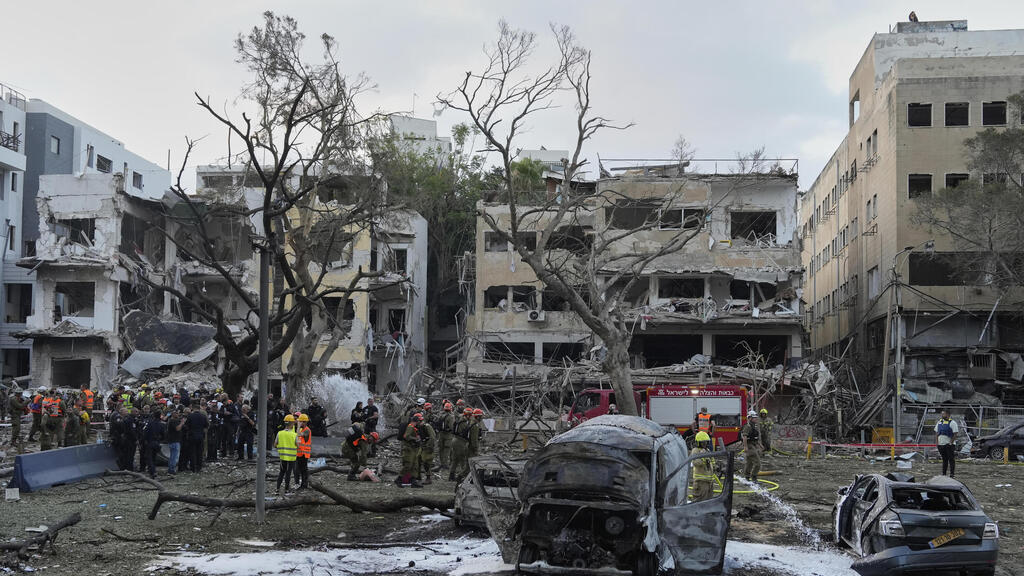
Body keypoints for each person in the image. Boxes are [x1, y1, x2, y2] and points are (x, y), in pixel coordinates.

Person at [397, 413, 424, 488]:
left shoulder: (413, 427)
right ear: (416, 421)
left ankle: (413, 481)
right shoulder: (410, 427)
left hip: (413, 449)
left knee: (415, 465)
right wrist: (415, 439)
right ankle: (399, 479)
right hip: (408, 449)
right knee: (408, 465)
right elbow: (406, 436)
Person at [275, 414, 298, 494]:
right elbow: (298, 445)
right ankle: (286, 489)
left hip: (282, 457)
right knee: (288, 473)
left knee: (281, 472)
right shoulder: (294, 435)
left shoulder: (279, 433)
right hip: (291, 458)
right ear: (292, 423)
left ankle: (277, 489)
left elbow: (275, 444)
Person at [449, 408, 474, 482]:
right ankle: (463, 476)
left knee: (455, 460)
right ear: (468, 415)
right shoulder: (464, 422)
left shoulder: (459, 419)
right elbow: (466, 432)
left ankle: (451, 475)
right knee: (462, 459)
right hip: (460, 441)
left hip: (455, 440)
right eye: (470, 415)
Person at [691, 431, 716, 502]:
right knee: (699, 501)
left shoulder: (707, 450)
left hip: (709, 481)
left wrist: (715, 466)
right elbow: (696, 463)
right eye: (703, 442)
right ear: (698, 443)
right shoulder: (695, 451)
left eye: (706, 442)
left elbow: (712, 461)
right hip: (700, 482)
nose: (705, 444)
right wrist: (702, 456)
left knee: (708, 501)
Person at [142, 410, 166, 479]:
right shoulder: (161, 424)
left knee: (149, 458)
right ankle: (153, 470)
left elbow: (145, 433)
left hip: (150, 442)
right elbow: (164, 434)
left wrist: (144, 440)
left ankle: (152, 471)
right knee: (154, 457)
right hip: (157, 443)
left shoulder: (150, 423)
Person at [935, 410, 959, 477]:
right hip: (941, 445)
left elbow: (955, 433)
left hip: (949, 445)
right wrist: (937, 443)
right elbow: (937, 433)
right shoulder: (939, 422)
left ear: (948, 414)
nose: (942, 415)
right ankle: (944, 474)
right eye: (942, 414)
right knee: (944, 459)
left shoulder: (952, 423)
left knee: (951, 459)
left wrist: (951, 442)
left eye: (943, 414)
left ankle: (952, 474)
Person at [186, 404, 209, 472]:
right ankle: (199, 467)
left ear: (193, 409)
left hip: (192, 436)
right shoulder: (203, 416)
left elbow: (187, 425)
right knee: (199, 452)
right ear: (199, 409)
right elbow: (206, 425)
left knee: (192, 452)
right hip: (200, 436)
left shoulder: (190, 416)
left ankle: (193, 467)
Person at [418, 403, 437, 484]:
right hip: (423, 445)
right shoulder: (420, 427)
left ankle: (428, 477)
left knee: (426, 461)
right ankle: (417, 476)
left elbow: (432, 437)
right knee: (418, 458)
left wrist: (429, 446)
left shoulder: (427, 426)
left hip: (428, 446)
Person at [741, 411, 761, 481]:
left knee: (749, 463)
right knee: (758, 463)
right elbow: (744, 437)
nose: (756, 419)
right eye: (754, 418)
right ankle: (754, 476)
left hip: (753, 445)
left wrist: (760, 445)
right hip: (749, 446)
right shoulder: (748, 426)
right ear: (750, 418)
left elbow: (754, 437)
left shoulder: (753, 426)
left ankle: (747, 476)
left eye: (756, 418)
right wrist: (745, 446)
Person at [294, 413, 312, 489]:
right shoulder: (303, 429)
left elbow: (299, 435)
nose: (299, 423)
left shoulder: (307, 430)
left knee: (304, 470)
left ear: (304, 422)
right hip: (300, 453)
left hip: (304, 453)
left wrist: (298, 426)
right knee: (301, 469)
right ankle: (303, 484)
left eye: (300, 422)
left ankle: (304, 484)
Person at [436, 402, 455, 470]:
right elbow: (452, 427)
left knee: (441, 450)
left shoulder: (440, 415)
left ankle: (441, 463)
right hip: (448, 436)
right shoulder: (451, 417)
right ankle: (445, 464)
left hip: (441, 434)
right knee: (447, 450)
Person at [166, 408, 184, 474]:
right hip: (174, 441)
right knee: (174, 457)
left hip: (173, 441)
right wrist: (182, 423)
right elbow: (177, 429)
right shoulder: (173, 421)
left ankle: (171, 469)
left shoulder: (172, 420)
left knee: (172, 456)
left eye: (177, 413)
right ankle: (171, 470)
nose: (177, 414)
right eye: (175, 413)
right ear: (172, 414)